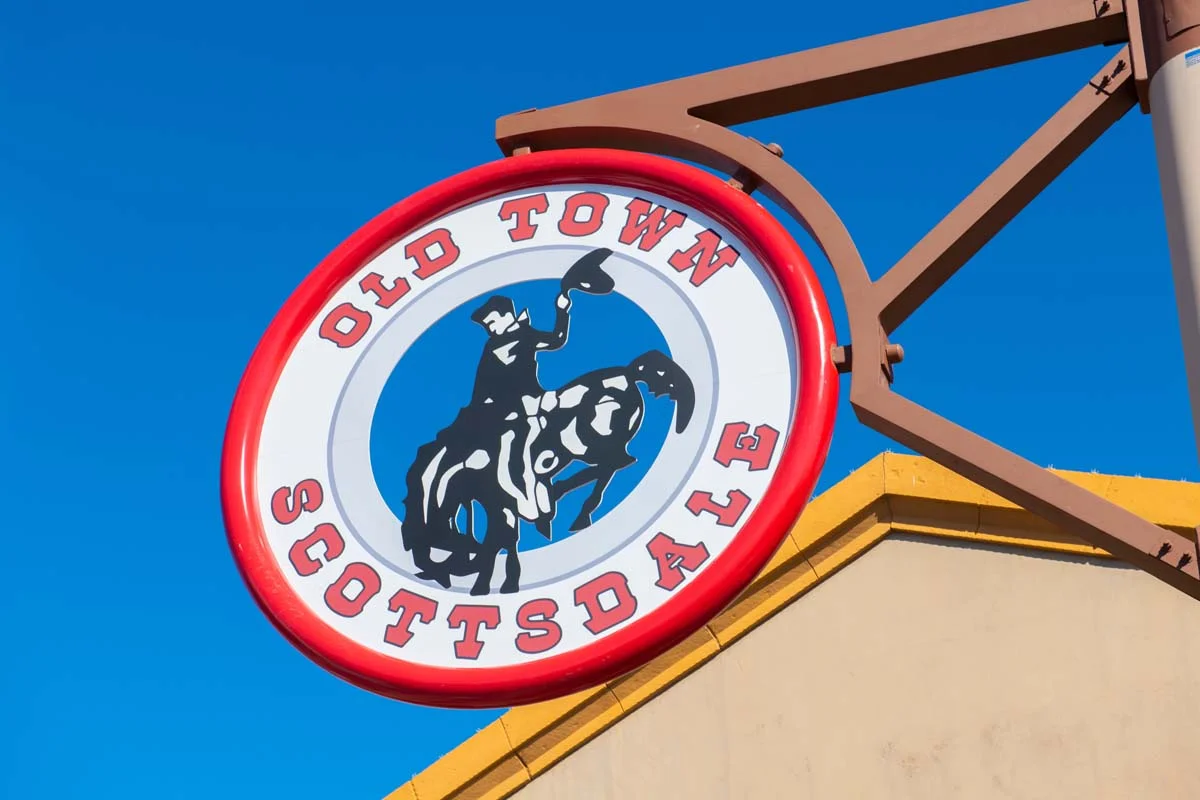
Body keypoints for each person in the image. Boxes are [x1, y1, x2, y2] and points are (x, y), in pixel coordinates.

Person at [456, 248, 616, 538]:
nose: (490, 328)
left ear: (506, 316)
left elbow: (556, 340)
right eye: (487, 325)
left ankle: (542, 496)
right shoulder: (492, 347)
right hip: (506, 411)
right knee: (509, 453)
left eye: (492, 322)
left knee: (571, 403)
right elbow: (482, 386)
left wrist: (562, 309)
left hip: (536, 402)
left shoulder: (526, 335)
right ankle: (533, 501)